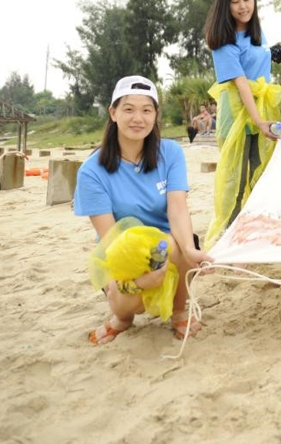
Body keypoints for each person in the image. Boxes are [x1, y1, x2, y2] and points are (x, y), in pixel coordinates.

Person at [74, 75, 213, 345]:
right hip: (123, 252)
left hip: (167, 246)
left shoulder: (170, 152)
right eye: (128, 109)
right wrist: (140, 280)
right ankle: (122, 319)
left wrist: (190, 249)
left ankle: (179, 311)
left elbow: (177, 208)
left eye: (146, 110)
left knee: (180, 245)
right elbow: (111, 238)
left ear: (155, 115)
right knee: (128, 302)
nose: (138, 118)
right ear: (113, 113)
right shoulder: (91, 171)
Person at [204, 0, 281, 246]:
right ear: (225, 5)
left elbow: (261, 59)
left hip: (261, 110)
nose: (243, 6)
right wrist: (258, 121)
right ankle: (230, 237)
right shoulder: (223, 42)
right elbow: (242, 84)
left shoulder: (256, 33)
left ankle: (256, 232)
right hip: (239, 116)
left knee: (260, 171)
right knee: (237, 180)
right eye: (235, 1)